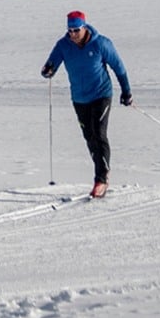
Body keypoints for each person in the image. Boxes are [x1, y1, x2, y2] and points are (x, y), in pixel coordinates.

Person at [41, 10, 131, 198]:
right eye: (70, 30)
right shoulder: (63, 45)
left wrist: (126, 91)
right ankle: (101, 170)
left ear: (84, 27)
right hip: (79, 98)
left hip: (101, 94)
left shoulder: (101, 44)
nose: (73, 34)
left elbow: (119, 68)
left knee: (98, 134)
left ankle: (101, 179)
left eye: (76, 30)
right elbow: (51, 65)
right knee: (89, 137)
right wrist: (48, 70)